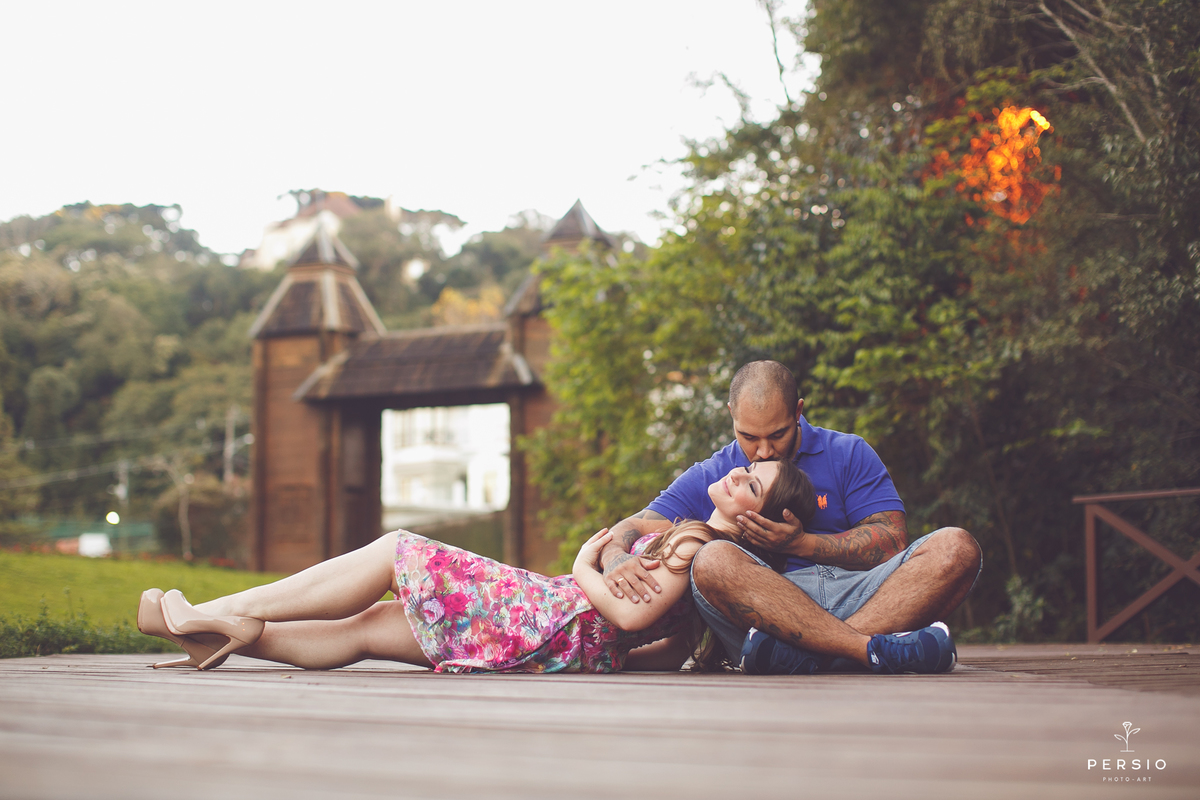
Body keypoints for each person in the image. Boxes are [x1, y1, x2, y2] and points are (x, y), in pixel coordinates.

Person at [136, 460, 827, 674]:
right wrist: (604, 657)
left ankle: (216, 611)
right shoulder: (697, 546)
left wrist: (587, 564)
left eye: (753, 484)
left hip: (549, 615)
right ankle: (225, 630)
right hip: (558, 638)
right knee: (374, 626)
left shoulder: (697, 548)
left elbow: (625, 612)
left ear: (762, 520)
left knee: (396, 550)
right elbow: (667, 642)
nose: (737, 472)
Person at [598, 360, 980, 675]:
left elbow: (893, 540)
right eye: (749, 437)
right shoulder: (719, 474)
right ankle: (866, 651)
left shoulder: (848, 452)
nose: (763, 452)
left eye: (777, 434)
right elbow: (636, 524)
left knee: (956, 547)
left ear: (798, 411)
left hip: (856, 596)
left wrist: (802, 544)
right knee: (710, 559)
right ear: (732, 416)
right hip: (764, 615)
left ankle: (824, 657)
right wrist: (615, 553)